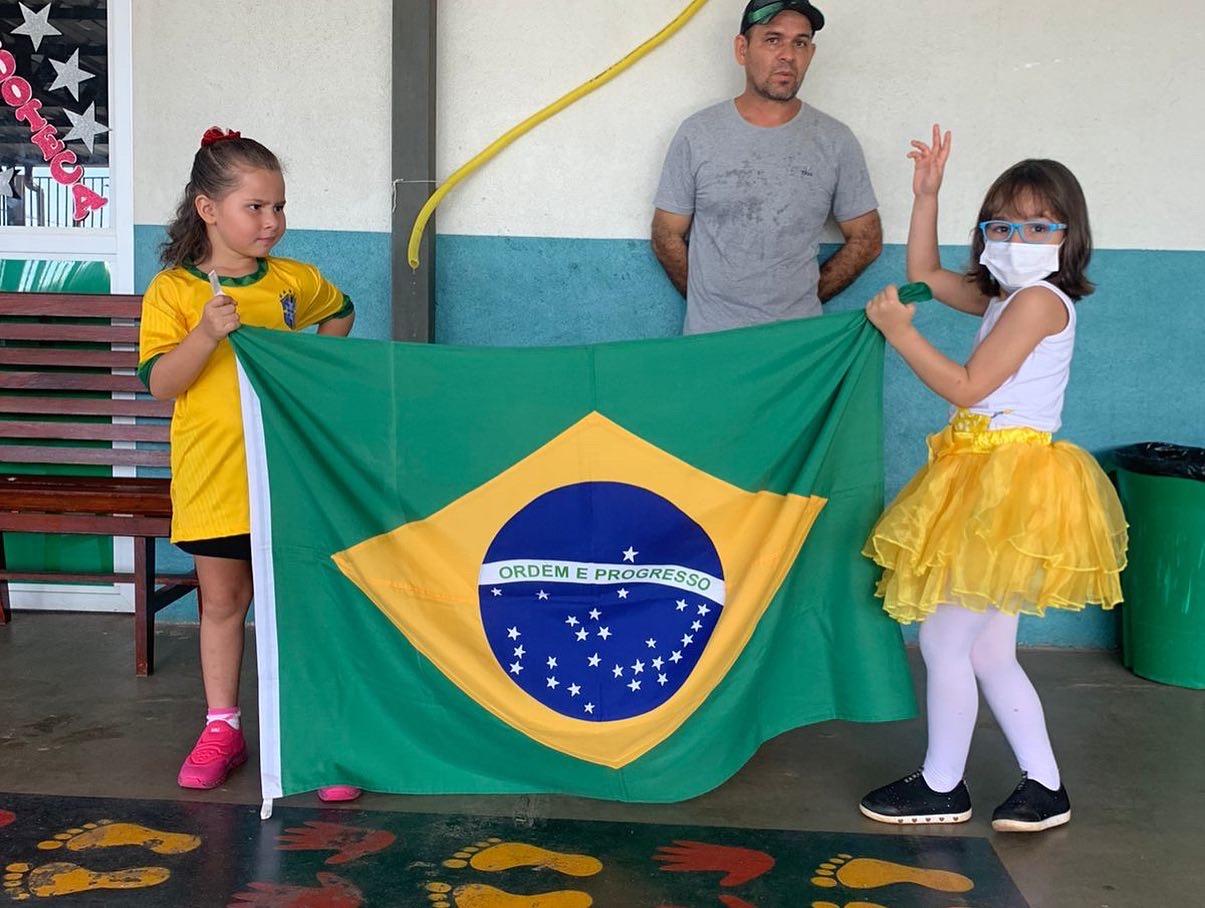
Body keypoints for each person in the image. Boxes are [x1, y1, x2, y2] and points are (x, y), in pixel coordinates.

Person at [857, 126, 1127, 832]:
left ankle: (943, 785)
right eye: (1001, 223)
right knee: (984, 647)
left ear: (1068, 235)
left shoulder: (1039, 300)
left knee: (947, 642)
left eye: (1038, 224)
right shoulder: (1006, 293)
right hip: (983, 475)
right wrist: (926, 197)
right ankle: (1044, 786)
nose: (1017, 235)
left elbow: (972, 384)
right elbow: (925, 274)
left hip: (1011, 482)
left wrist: (900, 333)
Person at [138, 127, 361, 801]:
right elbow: (162, 385)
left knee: (297, 604)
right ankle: (222, 728)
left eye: (279, 207)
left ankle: (310, 737)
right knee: (225, 601)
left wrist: (315, 374)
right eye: (255, 207)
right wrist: (206, 332)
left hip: (288, 472)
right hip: (215, 474)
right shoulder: (175, 292)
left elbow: (341, 312)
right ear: (208, 209)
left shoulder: (295, 282)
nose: (272, 222)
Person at [652, 0, 881, 334]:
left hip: (795, 348)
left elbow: (868, 239)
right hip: (709, 344)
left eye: (800, 43)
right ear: (742, 49)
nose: (788, 54)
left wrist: (803, 300)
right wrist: (708, 303)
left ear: (811, 54)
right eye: (773, 39)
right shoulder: (697, 134)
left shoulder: (835, 141)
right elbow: (665, 234)